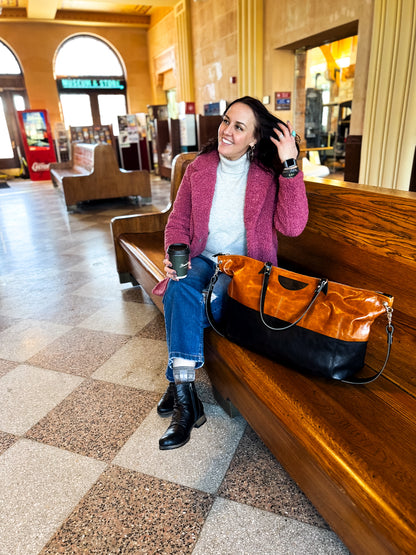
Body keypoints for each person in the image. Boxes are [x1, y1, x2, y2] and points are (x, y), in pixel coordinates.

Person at [152, 96, 309, 450]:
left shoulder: (267, 175)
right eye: (226, 121)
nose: (227, 130)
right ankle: (186, 397)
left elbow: (293, 225)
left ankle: (179, 389)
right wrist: (172, 256)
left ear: (254, 139)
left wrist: (289, 165)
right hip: (202, 260)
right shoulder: (199, 168)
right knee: (179, 288)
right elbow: (177, 223)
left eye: (239, 127)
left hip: (246, 272)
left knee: (193, 302)